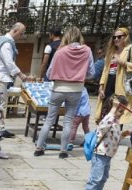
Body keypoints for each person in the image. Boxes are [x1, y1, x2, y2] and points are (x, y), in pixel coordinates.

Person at [34, 26, 95, 159]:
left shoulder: (60, 51)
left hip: (59, 88)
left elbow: (50, 72)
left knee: (49, 119)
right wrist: (79, 76)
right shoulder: (87, 51)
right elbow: (91, 72)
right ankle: (63, 150)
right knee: (68, 121)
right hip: (76, 89)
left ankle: (39, 147)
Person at [79, 96, 131, 190]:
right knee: (96, 177)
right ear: (112, 108)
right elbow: (103, 127)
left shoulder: (115, 121)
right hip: (100, 154)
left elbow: (113, 138)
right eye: (120, 111)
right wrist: (113, 109)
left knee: (104, 177)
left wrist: (123, 135)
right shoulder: (108, 119)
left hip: (108, 155)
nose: (122, 113)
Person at [94, 27, 132, 125]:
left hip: (122, 83)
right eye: (114, 37)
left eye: (119, 37)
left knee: (118, 111)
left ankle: (114, 135)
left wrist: (121, 62)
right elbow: (105, 70)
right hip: (109, 82)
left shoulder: (131, 49)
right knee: (105, 109)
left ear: (126, 37)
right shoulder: (111, 51)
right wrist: (101, 86)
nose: (116, 39)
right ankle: (102, 133)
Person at [0, 22, 28, 128]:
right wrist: (20, 74)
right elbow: (9, 62)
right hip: (0, 77)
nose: (21, 36)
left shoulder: (6, 42)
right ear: (15, 31)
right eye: (21, 34)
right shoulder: (6, 43)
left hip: (1, 77)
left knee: (0, 104)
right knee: (0, 104)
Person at [66, 87, 91, 151]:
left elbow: (77, 103)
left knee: (74, 127)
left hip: (80, 112)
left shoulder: (78, 90)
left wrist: (74, 112)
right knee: (86, 127)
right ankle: (88, 141)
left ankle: (70, 142)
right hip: (87, 111)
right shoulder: (84, 89)